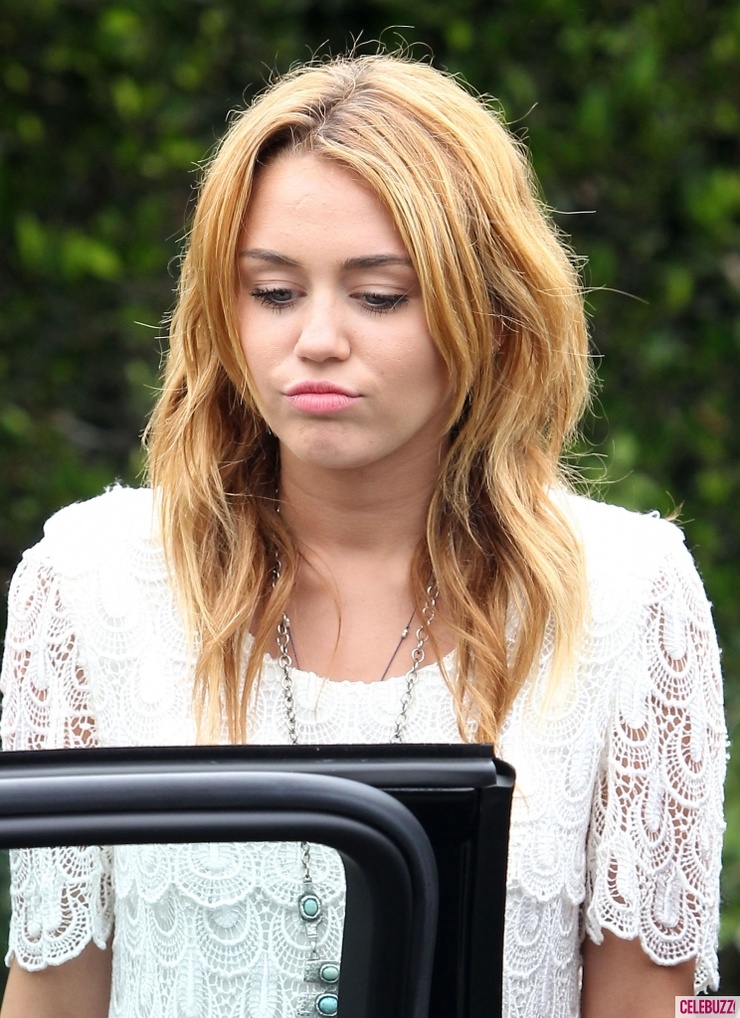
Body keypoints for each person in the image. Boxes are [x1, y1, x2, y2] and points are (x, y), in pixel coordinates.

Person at [0, 51, 726, 1018]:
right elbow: (53, 991)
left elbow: (650, 1003)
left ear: (493, 314)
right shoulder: (88, 581)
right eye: (273, 292)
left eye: (379, 295)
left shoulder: (628, 594)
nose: (317, 340)